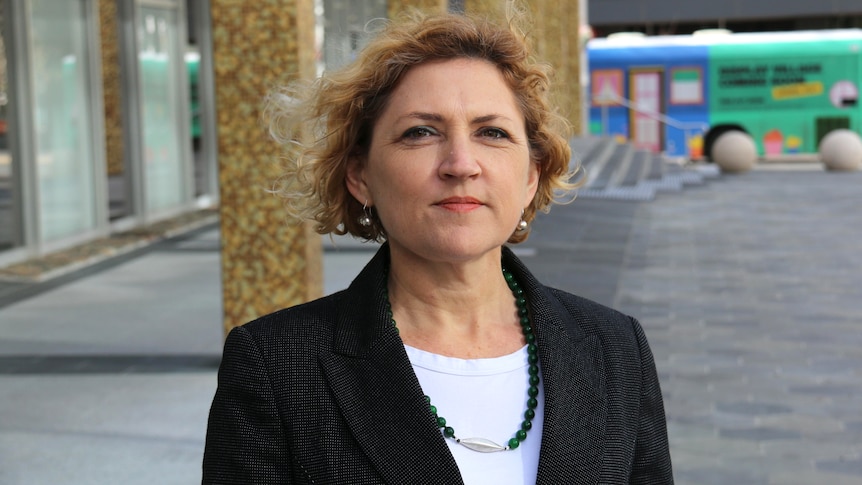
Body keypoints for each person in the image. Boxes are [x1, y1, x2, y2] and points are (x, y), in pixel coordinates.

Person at [203, 7, 673, 485]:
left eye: (492, 132)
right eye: (420, 132)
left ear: (531, 176)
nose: (461, 164)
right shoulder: (276, 365)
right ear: (360, 175)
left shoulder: (616, 349)